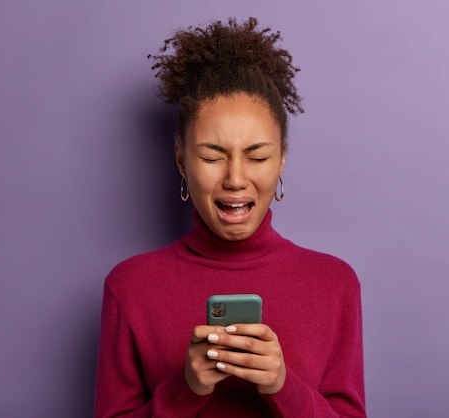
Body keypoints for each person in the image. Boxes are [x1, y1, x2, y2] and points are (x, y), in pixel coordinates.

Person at [95, 17, 366, 417]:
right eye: (211, 157)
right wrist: (185, 389)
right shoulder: (130, 287)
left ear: (282, 159)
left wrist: (283, 387)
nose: (236, 178)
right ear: (181, 159)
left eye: (257, 156)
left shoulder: (335, 284)